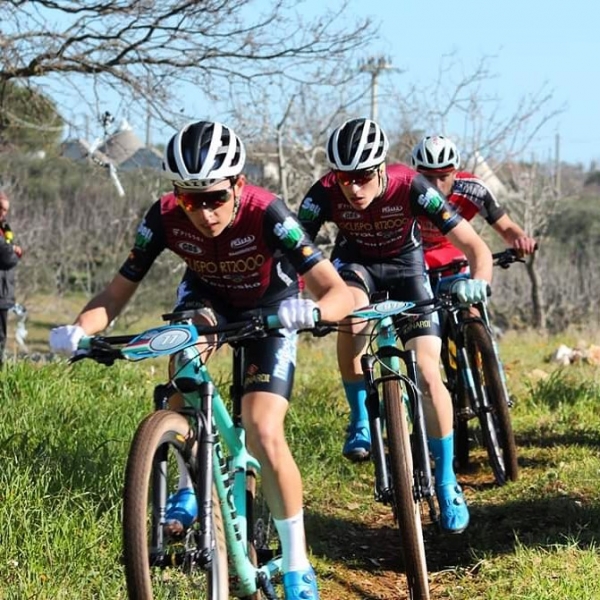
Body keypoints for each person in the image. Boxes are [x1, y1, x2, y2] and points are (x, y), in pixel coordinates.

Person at [49, 120, 355, 600]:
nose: (204, 213)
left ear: (237, 184)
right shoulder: (163, 217)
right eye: (192, 200)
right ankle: (193, 476)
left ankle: (296, 560)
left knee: (263, 427)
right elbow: (118, 290)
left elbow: (338, 292)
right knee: (181, 354)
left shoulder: (268, 213)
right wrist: (78, 329)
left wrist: (313, 311)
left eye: (214, 197)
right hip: (206, 299)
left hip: (269, 307)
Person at [297, 118, 493, 534]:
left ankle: (445, 482)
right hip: (356, 268)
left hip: (408, 269)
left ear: (382, 168)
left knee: (426, 372)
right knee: (350, 310)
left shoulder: (412, 186)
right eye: (344, 178)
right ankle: (360, 418)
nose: (354, 188)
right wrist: (299, 300)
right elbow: (295, 254)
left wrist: (479, 284)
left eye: (364, 177)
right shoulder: (323, 195)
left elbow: (474, 245)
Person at [410, 135, 537, 274]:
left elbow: (506, 227)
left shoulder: (474, 190)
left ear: (455, 172)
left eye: (443, 177)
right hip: (414, 251)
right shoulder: (406, 188)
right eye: (428, 177)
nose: (436, 186)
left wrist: (520, 239)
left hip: (453, 252)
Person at [0, 190, 23, 365]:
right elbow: (8, 257)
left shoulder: (5, 228)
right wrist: (13, 252)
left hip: (4, 293)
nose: (3, 213)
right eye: (0, 208)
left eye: (6, 210)